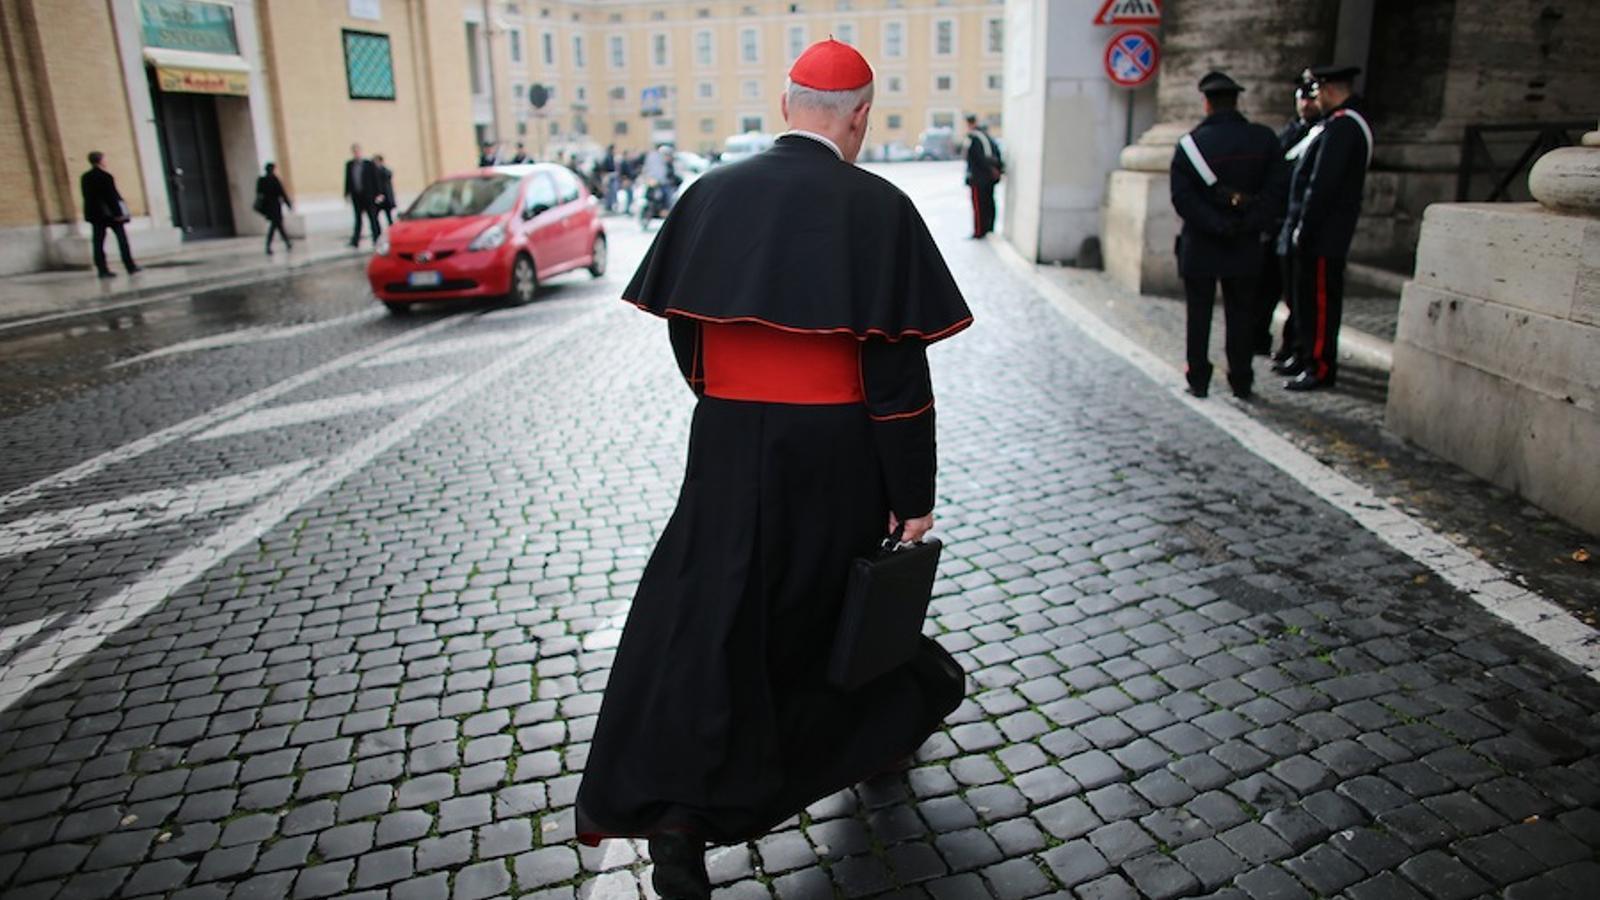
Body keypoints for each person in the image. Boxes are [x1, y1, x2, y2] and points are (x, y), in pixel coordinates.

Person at [575, 38, 971, 900]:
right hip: (835, 458)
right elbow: (896, 380)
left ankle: (678, 822)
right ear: (859, 116)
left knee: (711, 623)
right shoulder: (880, 209)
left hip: (725, 446)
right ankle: (875, 742)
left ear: (786, 105)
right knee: (825, 622)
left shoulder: (710, 195)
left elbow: (688, 334)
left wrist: (733, 409)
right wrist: (913, 498)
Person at [1169, 71, 1280, 399]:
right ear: (1236, 102)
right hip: (1244, 244)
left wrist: (1217, 224)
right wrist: (1249, 224)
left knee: (1198, 314)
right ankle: (1241, 379)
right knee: (1242, 313)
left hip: (1202, 243)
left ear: (1207, 104)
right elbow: (1276, 192)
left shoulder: (1191, 145)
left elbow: (1183, 199)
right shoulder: (1264, 140)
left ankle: (1198, 378)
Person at [1276, 64, 1374, 391]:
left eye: (1317, 91)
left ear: (1331, 90)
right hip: (1319, 233)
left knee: (1319, 303)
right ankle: (1305, 355)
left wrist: (1305, 226)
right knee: (1304, 300)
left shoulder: (1344, 127)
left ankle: (1319, 365)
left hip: (1324, 235)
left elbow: (1322, 185)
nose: (1313, 99)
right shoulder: (1333, 125)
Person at [1257, 74, 1322, 360]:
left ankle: (1293, 347)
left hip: (1297, 222)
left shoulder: (1322, 134)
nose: (1306, 104)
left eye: (1311, 98)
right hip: (1277, 221)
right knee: (1266, 286)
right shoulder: (1290, 133)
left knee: (1295, 294)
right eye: (1302, 98)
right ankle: (1260, 338)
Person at [80, 151, 140, 278]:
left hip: (95, 214)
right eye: (105, 159)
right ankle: (130, 266)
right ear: (101, 161)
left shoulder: (85, 177)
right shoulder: (106, 177)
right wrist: (119, 213)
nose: (106, 161)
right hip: (110, 215)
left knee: (98, 242)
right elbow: (111, 196)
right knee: (122, 240)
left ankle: (102, 269)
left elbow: (87, 196)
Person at [963, 113, 1003, 238]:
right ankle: (989, 227)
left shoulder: (974, 137)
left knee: (979, 205)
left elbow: (977, 158)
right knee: (989, 202)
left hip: (979, 178)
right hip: (988, 177)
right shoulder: (986, 136)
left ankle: (979, 231)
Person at [343, 143, 383, 248]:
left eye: (358, 151)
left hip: (369, 196)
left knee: (373, 218)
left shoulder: (368, 164)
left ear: (361, 152)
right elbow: (347, 180)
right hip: (357, 196)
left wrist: (379, 193)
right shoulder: (349, 165)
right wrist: (346, 193)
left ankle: (377, 238)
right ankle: (355, 241)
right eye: (354, 152)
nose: (356, 153)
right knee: (358, 219)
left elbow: (376, 180)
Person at [255, 162, 292, 255]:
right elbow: (282, 193)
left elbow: (259, 194)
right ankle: (269, 245)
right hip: (275, 206)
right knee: (275, 225)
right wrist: (288, 204)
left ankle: (287, 243)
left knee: (278, 225)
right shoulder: (274, 180)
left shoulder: (261, 180)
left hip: (268, 207)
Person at [373, 154, 396, 226]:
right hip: (378, 198)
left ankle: (391, 228)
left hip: (385, 198)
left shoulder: (385, 171)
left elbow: (388, 177)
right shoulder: (374, 172)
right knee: (375, 216)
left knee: (388, 216)